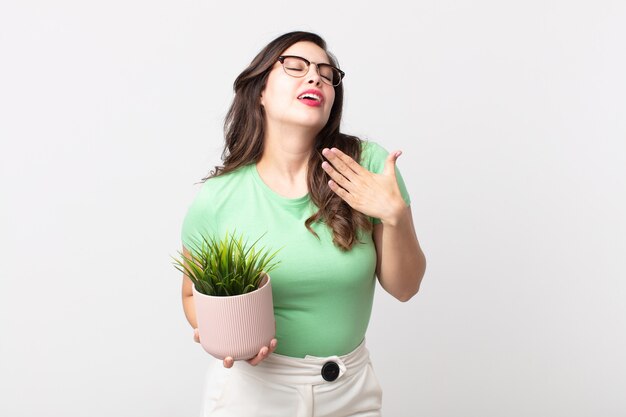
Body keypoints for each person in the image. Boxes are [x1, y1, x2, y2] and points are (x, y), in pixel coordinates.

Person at [180, 31, 426, 417]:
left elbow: (406, 287)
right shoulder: (219, 197)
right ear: (260, 89)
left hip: (350, 390)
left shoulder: (368, 167)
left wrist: (394, 217)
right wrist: (224, 336)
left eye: (327, 75)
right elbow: (193, 296)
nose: (315, 78)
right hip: (253, 394)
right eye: (295, 67)